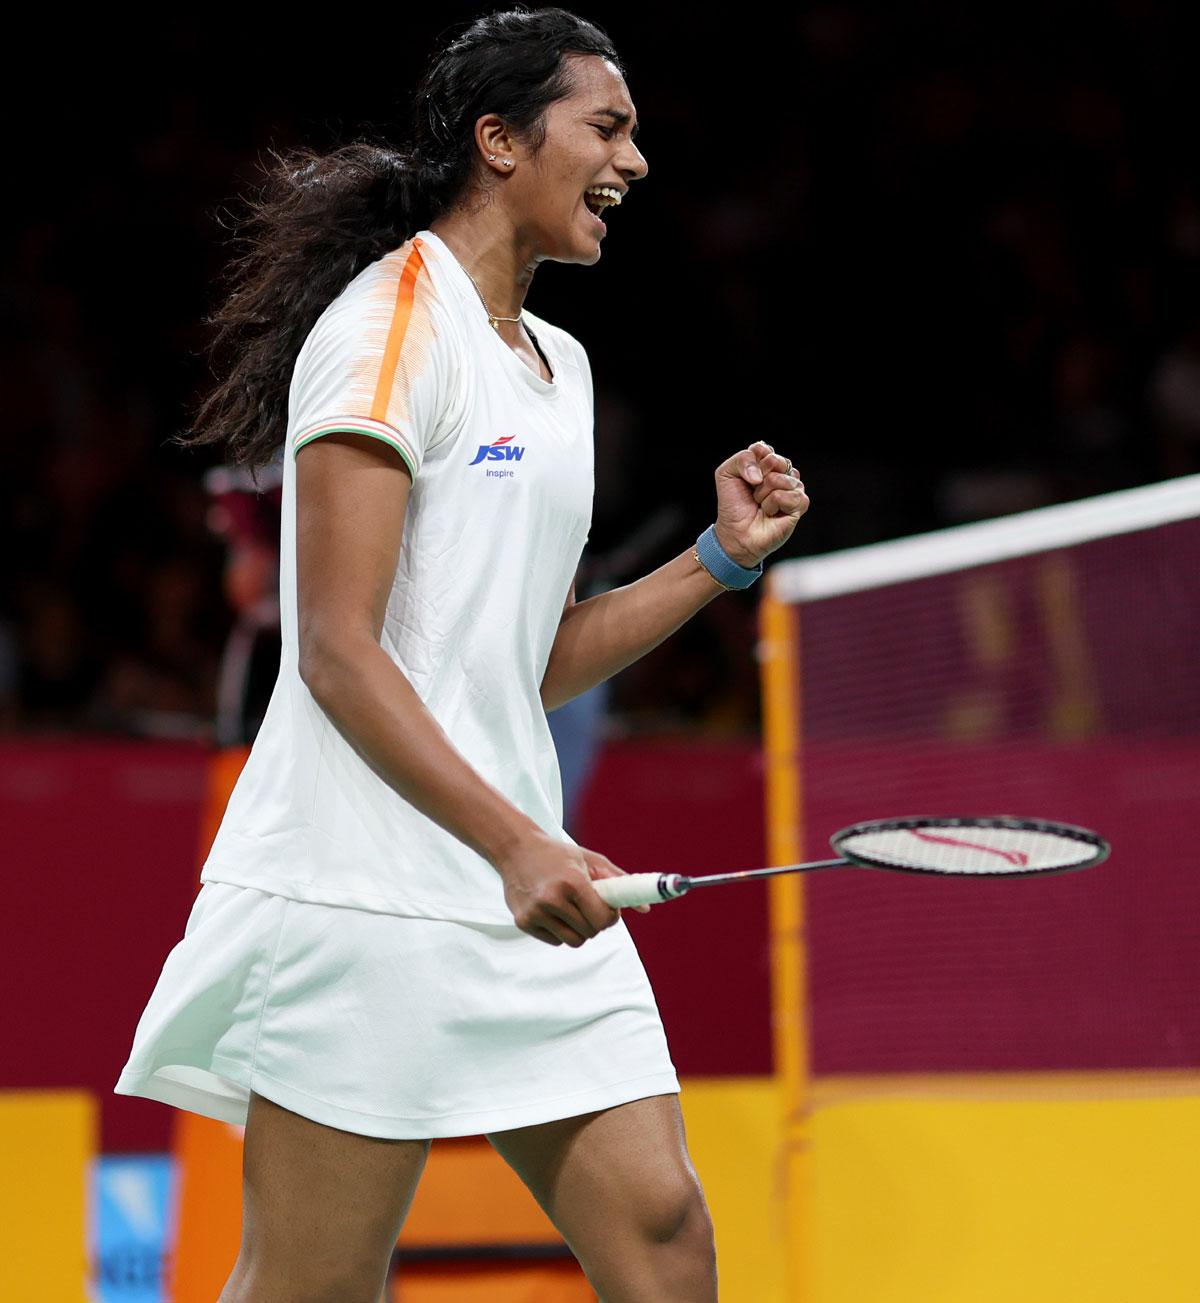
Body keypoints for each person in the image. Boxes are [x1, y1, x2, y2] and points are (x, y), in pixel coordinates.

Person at [114, 8, 809, 1301]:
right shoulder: (387, 331)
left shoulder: (563, 369)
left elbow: (515, 666)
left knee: (662, 1230)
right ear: (499, 140)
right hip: (364, 884)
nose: (636, 161)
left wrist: (716, 562)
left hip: (517, 893)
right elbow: (333, 647)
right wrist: (515, 842)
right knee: (316, 1286)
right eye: (607, 127)